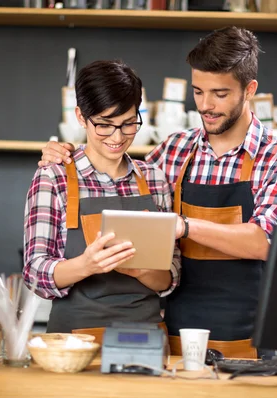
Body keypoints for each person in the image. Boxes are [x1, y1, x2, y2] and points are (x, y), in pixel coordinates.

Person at [38, 26, 277, 357]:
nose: (206, 105)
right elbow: (114, 169)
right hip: (177, 336)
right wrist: (66, 155)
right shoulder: (176, 150)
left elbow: (267, 241)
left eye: (220, 94)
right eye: (198, 91)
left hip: (249, 338)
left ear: (248, 90)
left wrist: (185, 225)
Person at [23, 60, 181, 337]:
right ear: (81, 117)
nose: (117, 137)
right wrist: (86, 265)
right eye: (104, 125)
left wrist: (142, 271)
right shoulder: (54, 178)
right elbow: (35, 273)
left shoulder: (154, 180)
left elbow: (170, 276)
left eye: (129, 124)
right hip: (73, 341)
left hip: (147, 338)